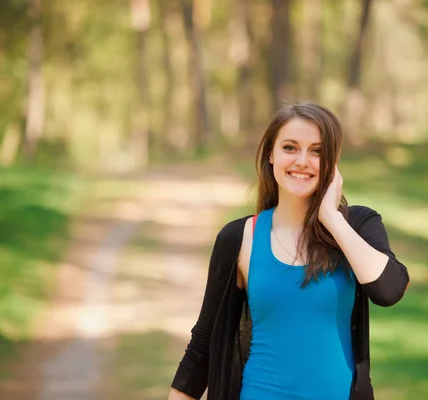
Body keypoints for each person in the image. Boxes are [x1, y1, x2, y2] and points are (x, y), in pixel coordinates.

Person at [168, 102, 409, 400]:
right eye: (290, 148)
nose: (303, 161)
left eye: (317, 151)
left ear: (333, 162)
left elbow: (389, 290)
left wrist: (332, 219)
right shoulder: (241, 238)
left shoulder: (356, 226)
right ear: (272, 155)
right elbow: (204, 342)